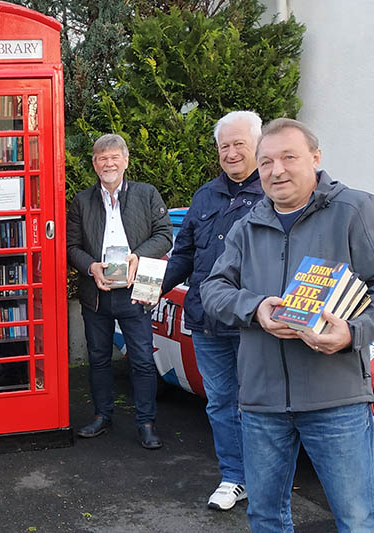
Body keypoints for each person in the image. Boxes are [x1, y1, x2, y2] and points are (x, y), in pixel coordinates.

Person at [202, 118, 374, 532]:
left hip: (335, 400)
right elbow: (213, 290)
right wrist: (255, 307)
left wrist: (353, 333)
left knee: (356, 519)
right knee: (265, 517)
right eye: (265, 162)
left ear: (315, 159)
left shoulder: (355, 210)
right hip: (262, 402)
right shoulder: (246, 226)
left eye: (288, 158)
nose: (276, 170)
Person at [161, 111, 265, 510]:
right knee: (221, 403)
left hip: (254, 323)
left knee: (260, 404)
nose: (232, 152)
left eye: (240, 143)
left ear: (258, 144)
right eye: (225, 145)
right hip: (206, 321)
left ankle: (266, 476)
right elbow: (184, 252)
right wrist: (152, 289)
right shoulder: (205, 195)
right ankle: (235, 477)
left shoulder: (274, 194)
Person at [66, 134, 173, 449]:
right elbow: (71, 246)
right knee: (98, 358)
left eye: (114, 157)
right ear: (95, 164)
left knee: (141, 358)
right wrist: (91, 267)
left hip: (136, 286)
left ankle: (146, 422)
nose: (108, 163)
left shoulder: (146, 194)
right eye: (102, 158)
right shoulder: (82, 201)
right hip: (96, 290)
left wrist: (138, 257)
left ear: (126, 161)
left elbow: (164, 235)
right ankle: (103, 415)